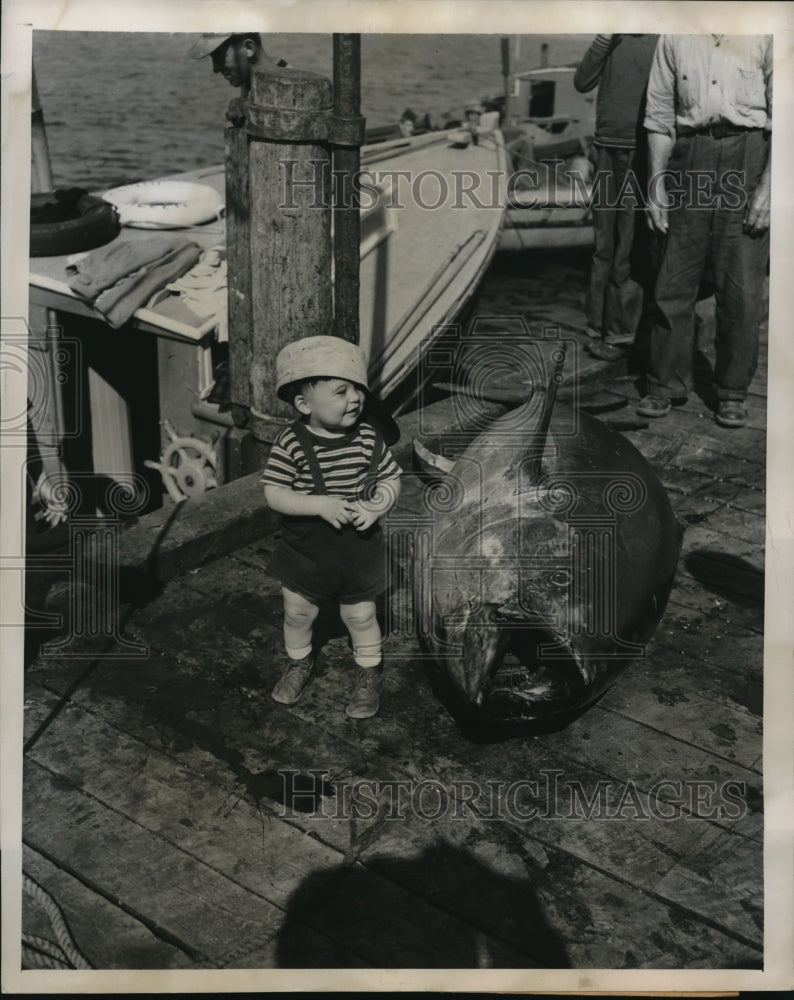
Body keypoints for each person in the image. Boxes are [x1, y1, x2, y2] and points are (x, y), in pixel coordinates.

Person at [261, 336, 402, 719]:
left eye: (357, 388)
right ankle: (298, 663)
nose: (354, 398)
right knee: (297, 613)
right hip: (307, 550)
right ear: (305, 404)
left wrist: (379, 504)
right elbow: (274, 493)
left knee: (360, 616)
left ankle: (369, 672)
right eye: (341, 391)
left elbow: (391, 478)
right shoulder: (291, 443)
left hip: (359, 549)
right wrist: (316, 504)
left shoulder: (368, 438)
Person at [637, 34, 772, 428]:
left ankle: (731, 391)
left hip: (748, 154)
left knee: (742, 286)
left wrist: (769, 188)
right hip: (689, 157)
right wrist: (656, 186)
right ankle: (664, 384)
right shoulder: (674, 35)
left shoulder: (765, 31)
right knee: (673, 278)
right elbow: (660, 118)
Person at [574, 34, 660, 361]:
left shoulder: (664, 37)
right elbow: (582, 82)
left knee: (631, 249)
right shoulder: (611, 37)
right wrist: (604, 39)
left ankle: (621, 332)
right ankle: (597, 330)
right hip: (607, 150)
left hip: (643, 151)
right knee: (603, 248)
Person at [188, 32, 285, 93]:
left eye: (219, 57)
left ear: (248, 48)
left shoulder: (285, 89)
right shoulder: (250, 80)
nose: (215, 69)